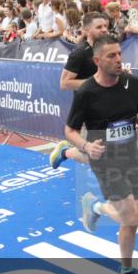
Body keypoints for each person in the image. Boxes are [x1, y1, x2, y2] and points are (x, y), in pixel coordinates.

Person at [63, 35, 138, 274]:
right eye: (111, 56)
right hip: (106, 162)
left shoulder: (130, 82)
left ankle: (95, 205)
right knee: (129, 217)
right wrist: (86, 146)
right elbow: (70, 129)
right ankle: (126, 272)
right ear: (97, 60)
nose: (118, 60)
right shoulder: (86, 92)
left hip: (131, 157)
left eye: (120, 54)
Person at [50, 12, 112, 168]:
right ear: (87, 30)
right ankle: (65, 152)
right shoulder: (79, 53)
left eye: (105, 25)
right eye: (99, 27)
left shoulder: (107, 48)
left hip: (108, 106)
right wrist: (95, 82)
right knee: (92, 157)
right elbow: (64, 83)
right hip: (87, 109)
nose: (104, 29)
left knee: (111, 152)